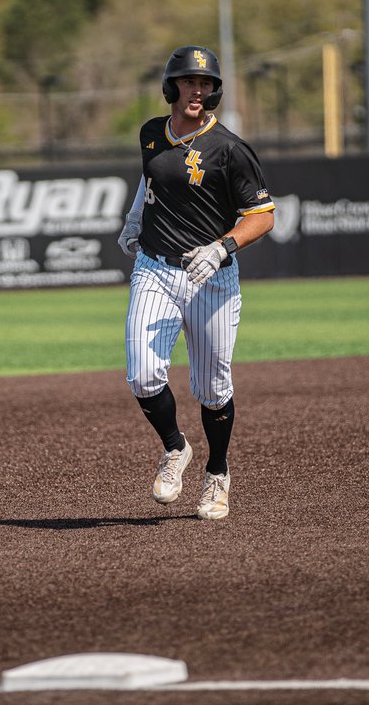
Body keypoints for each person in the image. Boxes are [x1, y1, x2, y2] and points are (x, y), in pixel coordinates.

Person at [117, 45, 275, 521]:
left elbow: (263, 215)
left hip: (212, 277)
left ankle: (218, 476)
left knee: (211, 388)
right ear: (172, 87)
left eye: (206, 84)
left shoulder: (229, 148)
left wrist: (221, 247)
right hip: (155, 268)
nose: (198, 91)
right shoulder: (151, 134)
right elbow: (151, 184)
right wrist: (133, 221)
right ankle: (174, 449)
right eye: (189, 82)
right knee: (143, 374)